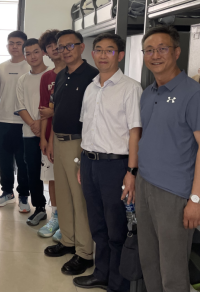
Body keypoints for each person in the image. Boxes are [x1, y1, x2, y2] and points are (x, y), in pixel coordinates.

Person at [136, 26, 200, 292]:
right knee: (149, 261)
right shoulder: (148, 93)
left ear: (177, 52)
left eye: (162, 49)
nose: (155, 55)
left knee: (172, 270)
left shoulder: (194, 95)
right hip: (145, 184)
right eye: (149, 50)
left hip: (174, 193)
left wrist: (196, 200)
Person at [73, 33, 143, 292]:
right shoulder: (91, 88)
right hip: (90, 163)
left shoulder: (131, 88)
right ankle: (101, 274)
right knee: (97, 224)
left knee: (116, 228)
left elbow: (135, 133)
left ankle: (118, 283)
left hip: (115, 166)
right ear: (92, 54)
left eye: (109, 50)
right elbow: (87, 128)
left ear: (120, 55)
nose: (103, 55)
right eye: (99, 50)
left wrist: (131, 171)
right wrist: (81, 162)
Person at [44, 30, 99, 276]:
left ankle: (85, 252)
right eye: (61, 47)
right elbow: (57, 111)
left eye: (70, 46)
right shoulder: (61, 75)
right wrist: (51, 141)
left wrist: (86, 149)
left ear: (81, 47)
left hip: (79, 143)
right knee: (64, 195)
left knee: (80, 198)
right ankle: (68, 241)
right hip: (60, 140)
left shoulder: (92, 76)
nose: (65, 51)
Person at [0, 31, 32, 213]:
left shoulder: (31, 66)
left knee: (24, 162)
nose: (14, 46)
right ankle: (7, 192)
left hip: (25, 122)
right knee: (4, 160)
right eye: (11, 43)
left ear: (24, 45)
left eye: (18, 43)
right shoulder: (0, 68)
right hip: (2, 120)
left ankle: (24, 195)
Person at [15, 38, 50, 226]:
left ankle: (60, 211)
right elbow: (20, 106)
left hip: (51, 132)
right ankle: (40, 208)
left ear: (43, 52)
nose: (32, 56)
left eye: (36, 52)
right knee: (33, 171)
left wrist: (41, 124)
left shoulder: (53, 75)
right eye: (28, 53)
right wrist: (33, 125)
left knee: (54, 174)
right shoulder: (23, 79)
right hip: (29, 133)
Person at [37, 29, 65, 241]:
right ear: (46, 52)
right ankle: (56, 216)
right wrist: (44, 139)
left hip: (70, 136)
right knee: (53, 178)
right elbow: (43, 110)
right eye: (49, 46)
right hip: (49, 137)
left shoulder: (76, 73)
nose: (54, 48)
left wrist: (54, 112)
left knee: (70, 179)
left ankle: (67, 219)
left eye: (57, 44)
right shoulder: (46, 77)